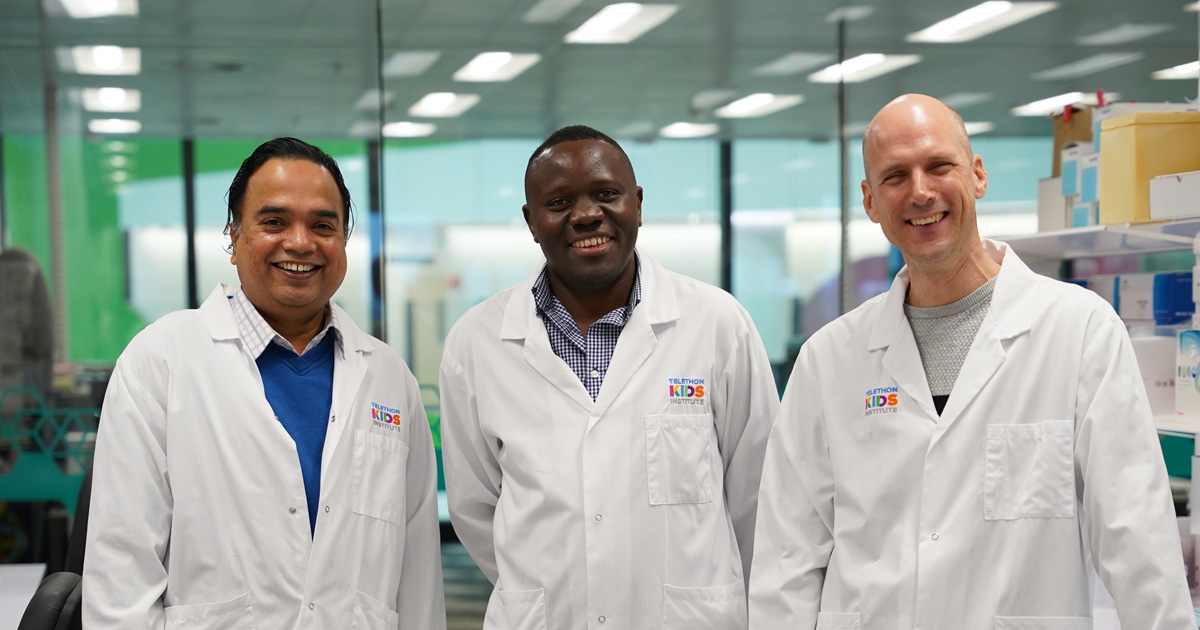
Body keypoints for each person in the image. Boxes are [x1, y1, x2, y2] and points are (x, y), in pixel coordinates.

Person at [748, 94, 1195, 628]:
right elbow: (787, 559)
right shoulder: (829, 360)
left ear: (978, 175)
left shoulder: (1079, 330)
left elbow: (1137, 537)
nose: (920, 192)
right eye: (894, 176)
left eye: (939, 166)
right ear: (869, 201)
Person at [83, 137, 445, 629]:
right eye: (273, 222)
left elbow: (418, 570)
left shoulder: (388, 377)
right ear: (233, 236)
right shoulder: (160, 361)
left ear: (343, 242)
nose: (300, 243)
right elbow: (120, 571)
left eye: (323, 225)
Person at [440, 125, 778, 629]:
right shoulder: (477, 342)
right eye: (559, 202)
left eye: (606, 194)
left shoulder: (717, 323)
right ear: (532, 222)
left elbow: (759, 495)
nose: (586, 215)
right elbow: (474, 509)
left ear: (637, 204)